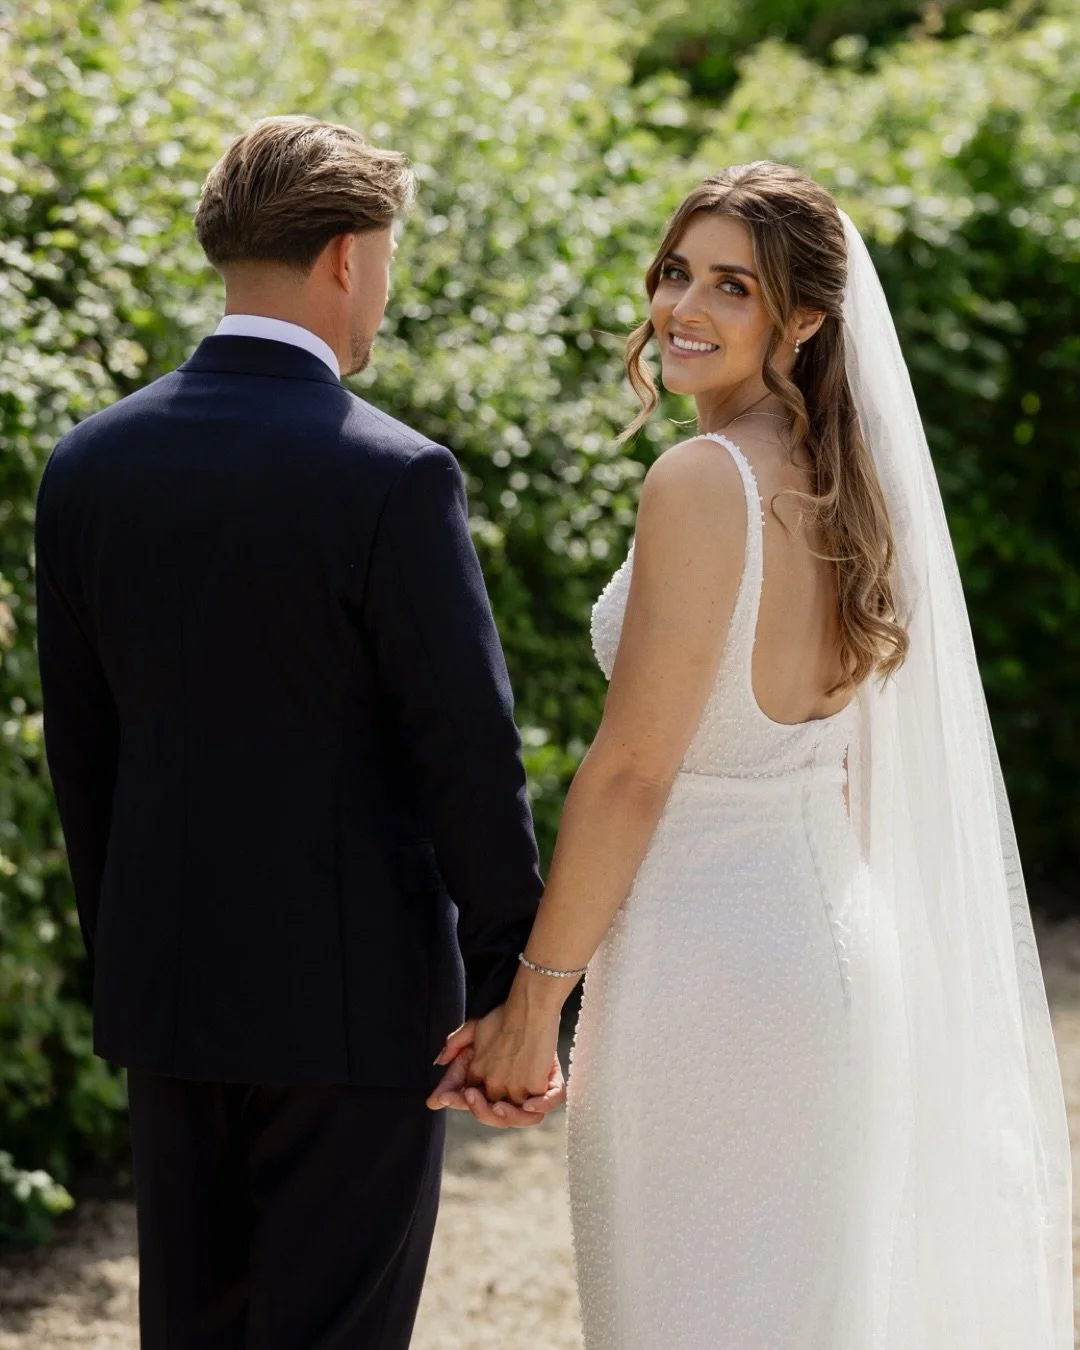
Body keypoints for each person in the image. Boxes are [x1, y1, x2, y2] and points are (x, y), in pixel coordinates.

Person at [430, 162, 1072, 1346]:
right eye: (677, 273)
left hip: (705, 981)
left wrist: (532, 1004)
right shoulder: (851, 487)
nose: (684, 307)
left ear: (806, 319)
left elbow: (632, 771)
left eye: (733, 286)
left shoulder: (701, 479)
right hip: (830, 955)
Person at [34, 115, 562, 1350]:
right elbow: (465, 754)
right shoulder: (393, 476)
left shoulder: (86, 465)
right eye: (386, 258)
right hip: (359, 1015)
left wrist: (135, 973)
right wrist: (512, 995)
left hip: (168, 998)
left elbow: (85, 760)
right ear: (344, 258)